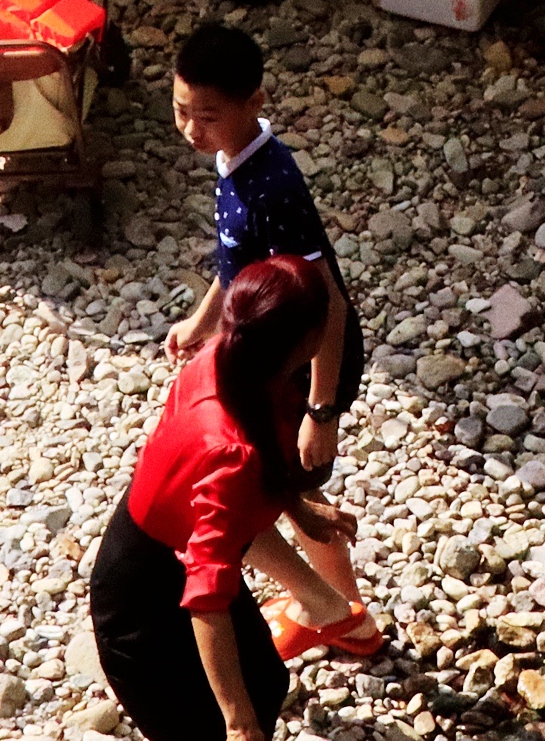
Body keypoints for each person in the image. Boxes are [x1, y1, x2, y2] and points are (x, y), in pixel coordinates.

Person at [163, 22, 378, 659]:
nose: (191, 130)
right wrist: (203, 323)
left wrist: (321, 411)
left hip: (300, 363)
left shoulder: (274, 185)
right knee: (283, 485)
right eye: (179, 110)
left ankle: (346, 617)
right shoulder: (232, 159)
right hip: (263, 353)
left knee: (295, 486)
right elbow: (237, 260)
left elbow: (330, 304)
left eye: (207, 115)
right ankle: (337, 609)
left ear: (255, 103)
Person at [91, 257, 370, 741]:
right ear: (306, 343)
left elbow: (258, 457)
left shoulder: (223, 361)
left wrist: (300, 509)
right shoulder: (231, 453)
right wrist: (237, 725)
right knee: (208, 726)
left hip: (174, 554)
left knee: (265, 680)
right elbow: (206, 598)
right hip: (142, 601)